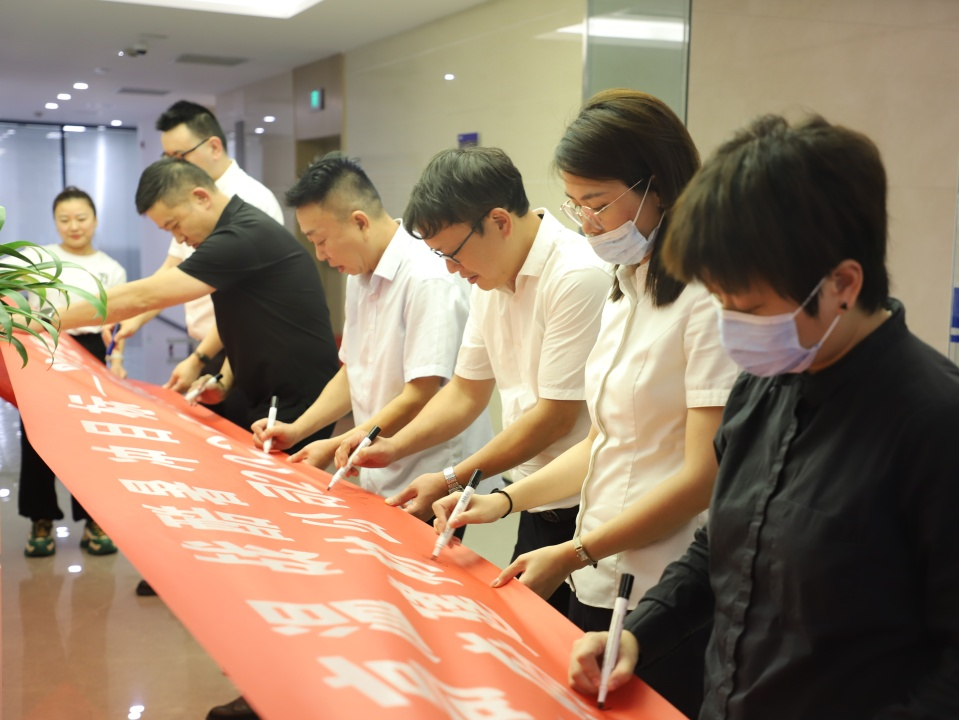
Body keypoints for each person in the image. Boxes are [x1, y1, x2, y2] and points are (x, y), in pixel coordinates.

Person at [569, 114, 959, 718]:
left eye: (749, 308)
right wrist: (638, 633)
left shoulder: (934, 424)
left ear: (842, 284)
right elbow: (726, 543)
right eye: (720, 302)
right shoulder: (761, 386)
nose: (731, 328)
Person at [432, 90, 739, 717]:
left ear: (659, 187)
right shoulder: (627, 287)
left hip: (664, 590)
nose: (587, 223)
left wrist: (576, 550)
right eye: (577, 205)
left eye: (598, 204)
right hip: (597, 569)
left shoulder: (707, 300)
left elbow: (701, 477)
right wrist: (506, 500)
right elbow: (605, 440)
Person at [335, 146, 612, 614]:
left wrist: (450, 478)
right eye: (439, 255)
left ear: (499, 221)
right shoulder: (488, 278)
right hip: (531, 496)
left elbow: (555, 418)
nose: (450, 269)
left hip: (586, 503)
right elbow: (465, 392)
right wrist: (393, 446)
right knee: (527, 631)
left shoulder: (577, 275)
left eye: (454, 253)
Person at [50, 158, 340, 448]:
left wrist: (48, 320)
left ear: (201, 197)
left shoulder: (240, 236)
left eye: (175, 225)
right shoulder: (234, 229)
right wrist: (223, 379)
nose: (179, 238)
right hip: (259, 390)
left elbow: (143, 296)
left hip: (293, 400)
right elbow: (248, 320)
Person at [250, 153, 493, 494]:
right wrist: (297, 430)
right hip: (377, 465)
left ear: (360, 222)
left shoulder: (427, 276)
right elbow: (353, 371)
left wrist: (340, 443)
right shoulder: (359, 274)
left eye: (321, 241)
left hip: (434, 475)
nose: (320, 255)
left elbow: (419, 394)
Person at [116, 100, 284, 404]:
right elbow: (171, 270)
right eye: (167, 157)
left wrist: (199, 359)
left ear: (214, 147)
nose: (173, 167)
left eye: (180, 156)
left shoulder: (253, 202)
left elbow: (246, 305)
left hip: (240, 350)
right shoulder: (187, 202)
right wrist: (136, 318)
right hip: (209, 347)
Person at [20, 186, 128, 557]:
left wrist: (116, 360)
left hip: (92, 352)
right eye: (64, 219)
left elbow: (117, 322)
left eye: (81, 218)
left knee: (92, 439)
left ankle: (94, 520)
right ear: (55, 222)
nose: (74, 226)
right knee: (37, 438)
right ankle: (41, 520)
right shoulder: (38, 259)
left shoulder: (111, 268)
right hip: (45, 349)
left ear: (95, 220)